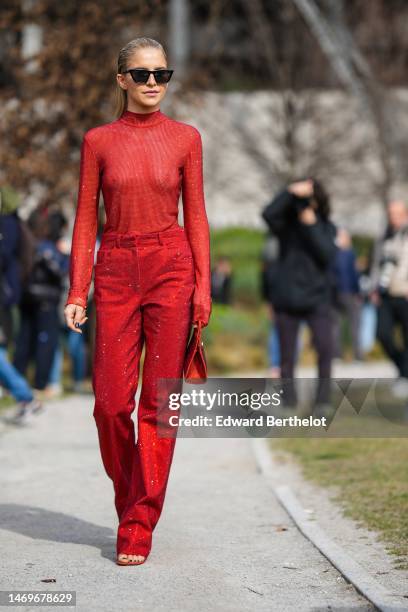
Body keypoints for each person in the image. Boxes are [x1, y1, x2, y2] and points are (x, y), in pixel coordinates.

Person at [63, 37, 212, 566]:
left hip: (172, 268)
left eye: (162, 75)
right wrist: (77, 290)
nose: (154, 84)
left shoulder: (186, 139)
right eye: (143, 75)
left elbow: (196, 216)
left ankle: (137, 523)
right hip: (118, 269)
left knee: (160, 404)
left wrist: (202, 290)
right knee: (109, 405)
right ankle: (132, 499)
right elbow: (86, 219)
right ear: (121, 79)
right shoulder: (98, 140)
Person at [261, 178, 337, 416]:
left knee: (325, 348)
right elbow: (268, 214)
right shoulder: (286, 227)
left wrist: (312, 225)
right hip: (287, 299)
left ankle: (322, 401)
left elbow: (327, 255)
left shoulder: (326, 226)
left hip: (317, 299)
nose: (305, 205)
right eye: (302, 200)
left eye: (309, 199)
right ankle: (289, 402)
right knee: (286, 355)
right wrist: (288, 191)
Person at [370, 199, 408, 397]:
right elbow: (376, 264)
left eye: (397, 213)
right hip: (385, 294)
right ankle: (403, 367)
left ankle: (404, 376)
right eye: (391, 213)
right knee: (382, 334)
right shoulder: (383, 236)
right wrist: (374, 288)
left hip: (404, 293)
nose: (393, 217)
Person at [331, 227, 362, 361]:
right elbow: (353, 275)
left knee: (335, 325)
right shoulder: (349, 253)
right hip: (348, 292)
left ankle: (337, 354)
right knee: (354, 324)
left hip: (334, 293)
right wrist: (357, 292)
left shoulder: (332, 254)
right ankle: (357, 355)